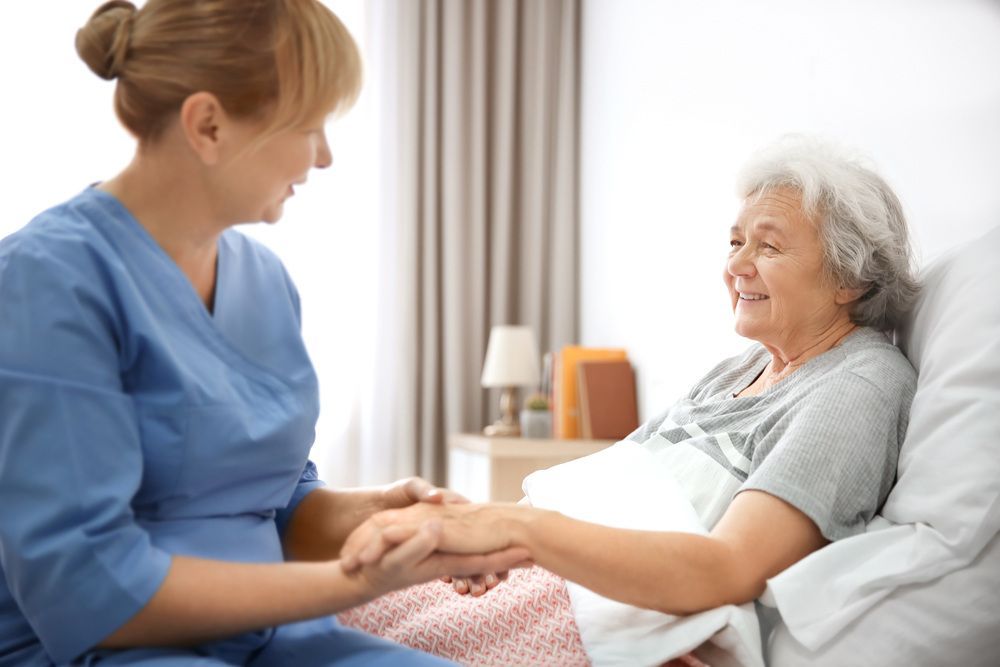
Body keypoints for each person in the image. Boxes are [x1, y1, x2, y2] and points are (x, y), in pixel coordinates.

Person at [0, 1, 528, 665]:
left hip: (270, 640)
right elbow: (88, 590)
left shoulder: (265, 281)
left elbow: (273, 504)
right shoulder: (47, 280)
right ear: (209, 125)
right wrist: (354, 581)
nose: (326, 155)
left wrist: (386, 520)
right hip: (109, 646)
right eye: (310, 125)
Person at [336, 137, 921, 653]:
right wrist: (480, 538)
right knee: (329, 607)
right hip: (558, 577)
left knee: (330, 630)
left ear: (852, 279)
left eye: (767, 247)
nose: (735, 265)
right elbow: (615, 484)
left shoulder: (857, 386)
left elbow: (730, 568)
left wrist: (517, 534)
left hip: (592, 612)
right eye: (735, 241)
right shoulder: (735, 370)